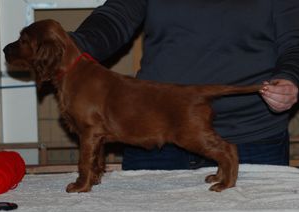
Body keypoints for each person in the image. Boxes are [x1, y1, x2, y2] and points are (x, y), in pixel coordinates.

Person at [69, 0, 299, 170]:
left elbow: (294, 41)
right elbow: (114, 19)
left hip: (248, 137)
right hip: (153, 134)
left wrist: (290, 77)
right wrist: (68, 46)